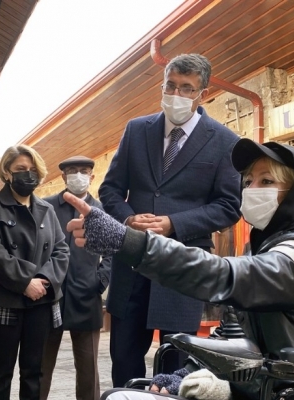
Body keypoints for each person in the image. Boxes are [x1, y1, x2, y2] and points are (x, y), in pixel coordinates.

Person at [68, 138, 294, 400]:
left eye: (267, 181)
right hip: (256, 384)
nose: (252, 189)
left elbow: (223, 275)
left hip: (285, 388)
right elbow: (232, 331)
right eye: (248, 181)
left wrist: (130, 242)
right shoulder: (263, 246)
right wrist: (188, 372)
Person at [98, 53, 241, 387]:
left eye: (186, 88)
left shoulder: (225, 141)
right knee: (124, 361)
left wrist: (173, 223)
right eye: (170, 86)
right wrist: (129, 219)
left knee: (176, 367)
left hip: (182, 269)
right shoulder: (137, 130)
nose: (176, 94)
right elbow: (110, 189)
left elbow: (228, 206)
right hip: (131, 262)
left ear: (202, 94)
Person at [0, 144, 70, 400]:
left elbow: (62, 250)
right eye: (21, 168)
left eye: (33, 170)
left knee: (34, 371)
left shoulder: (46, 209)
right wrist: (25, 282)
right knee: (1, 371)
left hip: (40, 301)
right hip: (5, 299)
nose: (28, 174)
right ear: (7, 172)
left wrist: (42, 280)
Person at [40, 155, 112, 400]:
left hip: (86, 294)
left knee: (88, 367)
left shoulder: (101, 210)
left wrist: (100, 280)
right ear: (63, 176)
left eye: (83, 171)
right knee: (40, 366)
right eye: (72, 170)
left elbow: (112, 252)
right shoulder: (46, 207)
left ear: (92, 177)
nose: (78, 175)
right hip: (50, 294)